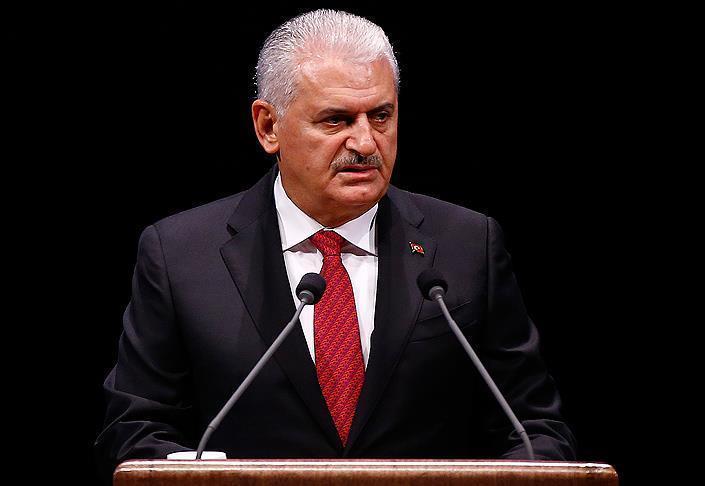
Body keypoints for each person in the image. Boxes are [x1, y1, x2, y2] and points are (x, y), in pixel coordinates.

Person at [95, 8, 575, 477]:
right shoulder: (180, 255)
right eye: (336, 120)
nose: (365, 143)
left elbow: (534, 427)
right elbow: (136, 428)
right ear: (268, 127)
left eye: (381, 116)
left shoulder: (467, 245)